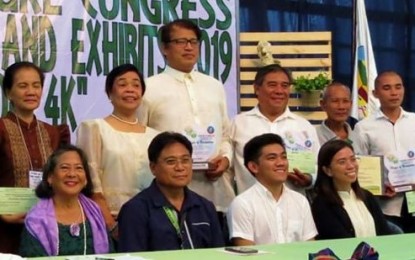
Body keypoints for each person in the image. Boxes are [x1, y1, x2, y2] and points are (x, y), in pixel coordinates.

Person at [137, 19, 234, 227]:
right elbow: (139, 138)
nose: (189, 47)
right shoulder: (149, 87)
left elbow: (225, 135)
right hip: (167, 199)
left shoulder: (214, 86)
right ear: (164, 48)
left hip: (214, 196)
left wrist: (225, 159)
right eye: (181, 41)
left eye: (194, 41)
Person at [76, 64, 159, 237]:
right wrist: (110, 224)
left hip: (152, 221)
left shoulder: (155, 136)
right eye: (122, 84)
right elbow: (91, 182)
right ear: (109, 93)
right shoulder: (94, 128)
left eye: (136, 85)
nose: (130, 90)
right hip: (109, 221)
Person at [0, 61, 70, 254]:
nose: (31, 91)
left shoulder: (52, 133)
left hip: (45, 226)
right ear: (8, 93)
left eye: (36, 85)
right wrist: (3, 214)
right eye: (22, 86)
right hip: (5, 230)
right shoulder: (2, 128)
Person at [118, 132, 224, 252]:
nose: (180, 167)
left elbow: (219, 253)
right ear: (153, 168)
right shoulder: (135, 210)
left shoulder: (205, 207)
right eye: (171, 161)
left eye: (185, 160)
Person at [230, 64, 320, 194]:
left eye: (285, 86)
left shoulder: (304, 126)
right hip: (250, 208)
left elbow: (317, 165)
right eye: (272, 85)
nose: (279, 91)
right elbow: (228, 168)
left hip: (293, 207)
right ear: (257, 89)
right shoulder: (238, 123)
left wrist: (309, 179)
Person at [19, 145, 113, 256]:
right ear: (50, 177)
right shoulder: (36, 219)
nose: (72, 174)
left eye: (79, 168)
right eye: (64, 168)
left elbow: (111, 255)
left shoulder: (95, 212)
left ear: (86, 179)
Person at [227, 133, 317, 245]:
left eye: (284, 157)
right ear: (254, 167)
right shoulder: (242, 204)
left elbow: (310, 247)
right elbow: (246, 253)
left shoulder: (301, 201)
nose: (281, 163)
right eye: (272, 158)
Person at [354, 70, 415, 233]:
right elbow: (359, 168)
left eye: (398, 87)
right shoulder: (364, 127)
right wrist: (378, 189)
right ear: (375, 93)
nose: (394, 93)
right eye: (387, 88)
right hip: (385, 206)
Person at [311, 140, 391, 239]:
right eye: (342, 162)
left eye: (353, 159)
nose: (351, 166)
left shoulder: (367, 196)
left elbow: (385, 235)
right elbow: (340, 242)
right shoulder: (322, 205)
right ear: (328, 170)